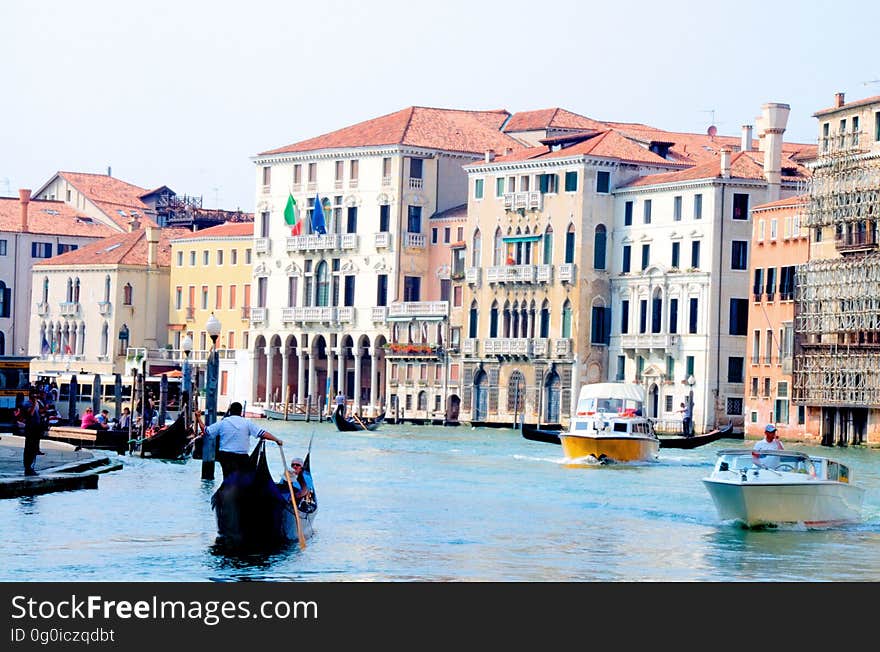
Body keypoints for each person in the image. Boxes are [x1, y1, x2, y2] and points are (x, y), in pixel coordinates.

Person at [200, 401, 283, 479]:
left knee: (228, 478)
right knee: (243, 478)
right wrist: (277, 440)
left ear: (230, 411)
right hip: (242, 457)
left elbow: (206, 431)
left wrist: (198, 418)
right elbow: (262, 433)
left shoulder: (223, 423)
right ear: (240, 412)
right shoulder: (247, 423)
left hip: (226, 457)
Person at [21, 398, 42, 476]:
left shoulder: (36, 403)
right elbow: (31, 414)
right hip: (30, 428)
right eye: (35, 395)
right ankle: (28, 467)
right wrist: (34, 404)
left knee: (33, 449)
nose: (36, 396)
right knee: (29, 448)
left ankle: (31, 468)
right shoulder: (27, 404)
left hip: (36, 428)